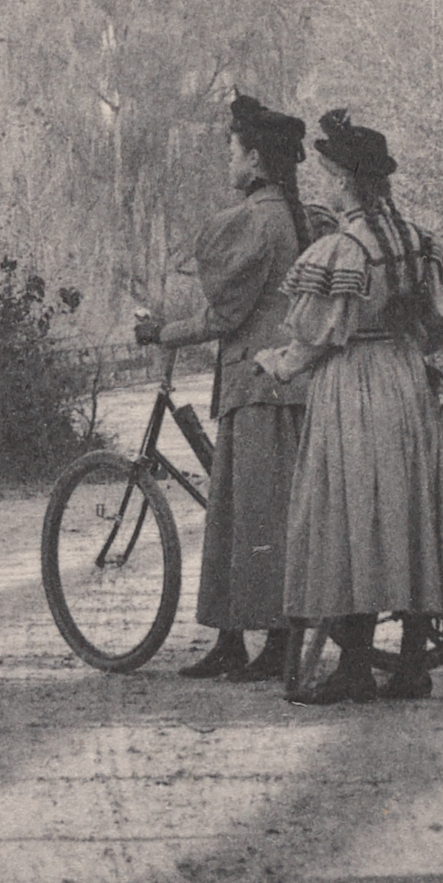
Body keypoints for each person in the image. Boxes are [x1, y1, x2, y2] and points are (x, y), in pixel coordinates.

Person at [252, 107, 443, 702]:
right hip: (406, 380)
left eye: (330, 175)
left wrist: (280, 364)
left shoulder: (343, 250)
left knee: (350, 517)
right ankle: (413, 666)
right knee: (410, 517)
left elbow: (315, 337)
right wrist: (410, 347)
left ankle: (354, 670)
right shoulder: (418, 241)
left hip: (354, 387)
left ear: (344, 181)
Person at [141, 93, 314, 681]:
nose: (226, 161)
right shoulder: (290, 213)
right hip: (271, 386)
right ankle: (233, 639)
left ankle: (274, 643)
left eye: (232, 150)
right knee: (240, 516)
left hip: (258, 388)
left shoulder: (255, 221)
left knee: (257, 520)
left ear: (256, 159)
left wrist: (164, 333)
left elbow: (222, 319)